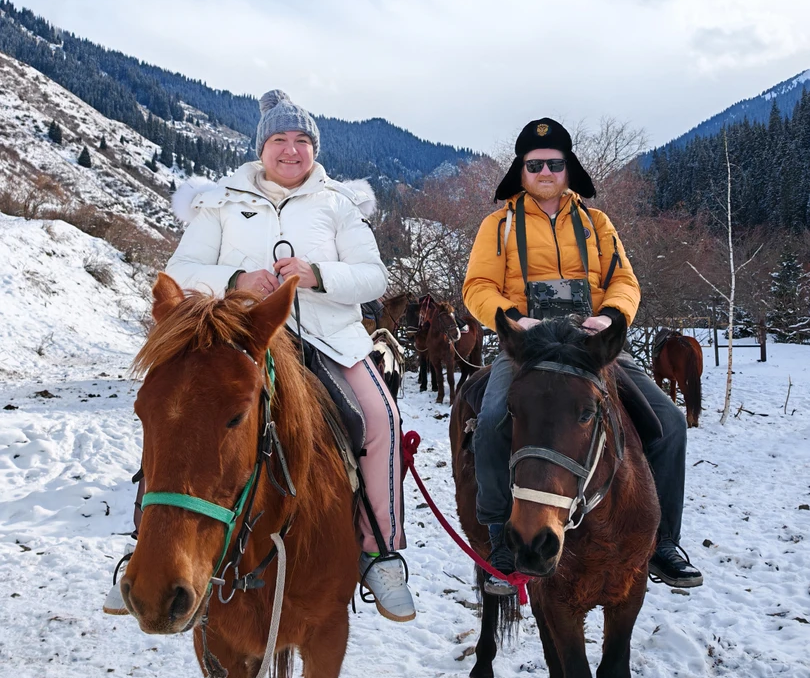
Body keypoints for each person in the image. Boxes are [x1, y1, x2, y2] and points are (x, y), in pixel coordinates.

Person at [105, 89, 415, 623]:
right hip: (234, 339)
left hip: (327, 338)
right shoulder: (220, 201)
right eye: (279, 139)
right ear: (261, 146)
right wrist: (234, 279)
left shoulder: (339, 203)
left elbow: (374, 276)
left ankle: (377, 551)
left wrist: (318, 274)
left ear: (314, 149)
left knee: (381, 418)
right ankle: (144, 545)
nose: (291, 150)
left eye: (302, 141)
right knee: (176, 416)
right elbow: (179, 271)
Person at [463, 116, 703, 595]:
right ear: (521, 171)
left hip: (590, 347)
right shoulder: (499, 225)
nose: (545, 171)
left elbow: (624, 282)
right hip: (528, 346)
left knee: (670, 423)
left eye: (554, 163)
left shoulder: (596, 223)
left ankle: (663, 542)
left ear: (568, 168)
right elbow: (478, 286)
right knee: (491, 420)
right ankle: (501, 538)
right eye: (534, 165)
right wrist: (513, 319)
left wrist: (613, 318)